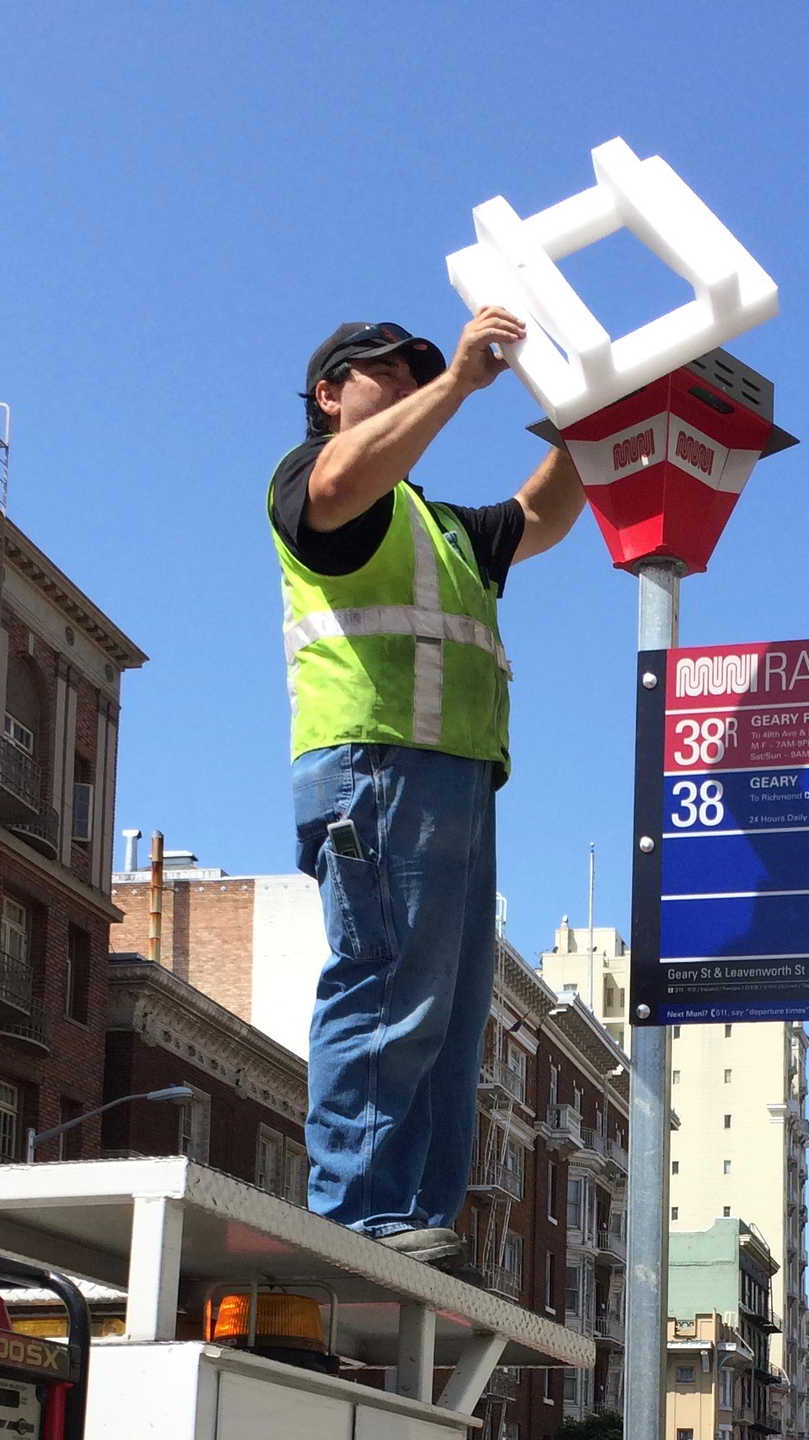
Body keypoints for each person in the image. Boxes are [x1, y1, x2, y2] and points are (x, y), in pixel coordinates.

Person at [269, 309, 585, 1267]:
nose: (408, 386)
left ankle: (415, 1218)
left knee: (447, 1009)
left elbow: (540, 517)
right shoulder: (313, 478)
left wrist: (581, 422)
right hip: (375, 767)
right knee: (391, 980)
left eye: (417, 376)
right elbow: (336, 482)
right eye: (386, 376)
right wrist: (457, 383)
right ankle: (359, 1217)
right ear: (330, 395)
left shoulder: (439, 527)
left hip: (450, 783)